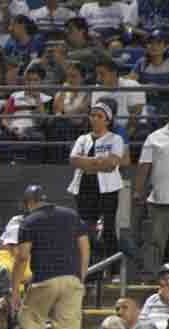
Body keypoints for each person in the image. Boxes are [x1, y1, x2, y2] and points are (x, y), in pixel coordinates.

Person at [12, 185, 90, 329]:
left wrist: (15, 290)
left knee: (28, 318)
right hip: (72, 279)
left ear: (29, 203)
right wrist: (81, 276)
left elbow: (22, 256)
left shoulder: (29, 221)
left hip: (44, 280)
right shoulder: (71, 215)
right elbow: (85, 248)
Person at [68, 102, 126, 263]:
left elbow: (111, 164)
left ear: (108, 120)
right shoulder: (82, 139)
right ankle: (89, 266)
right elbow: (74, 160)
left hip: (108, 190)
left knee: (108, 229)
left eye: (99, 116)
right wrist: (98, 162)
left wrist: (87, 163)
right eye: (92, 115)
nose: (94, 118)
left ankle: (114, 269)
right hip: (84, 188)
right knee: (86, 230)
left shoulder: (116, 139)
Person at [134, 105, 169, 278]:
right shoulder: (154, 138)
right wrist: (137, 191)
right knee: (155, 243)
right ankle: (150, 276)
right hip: (160, 201)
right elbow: (144, 166)